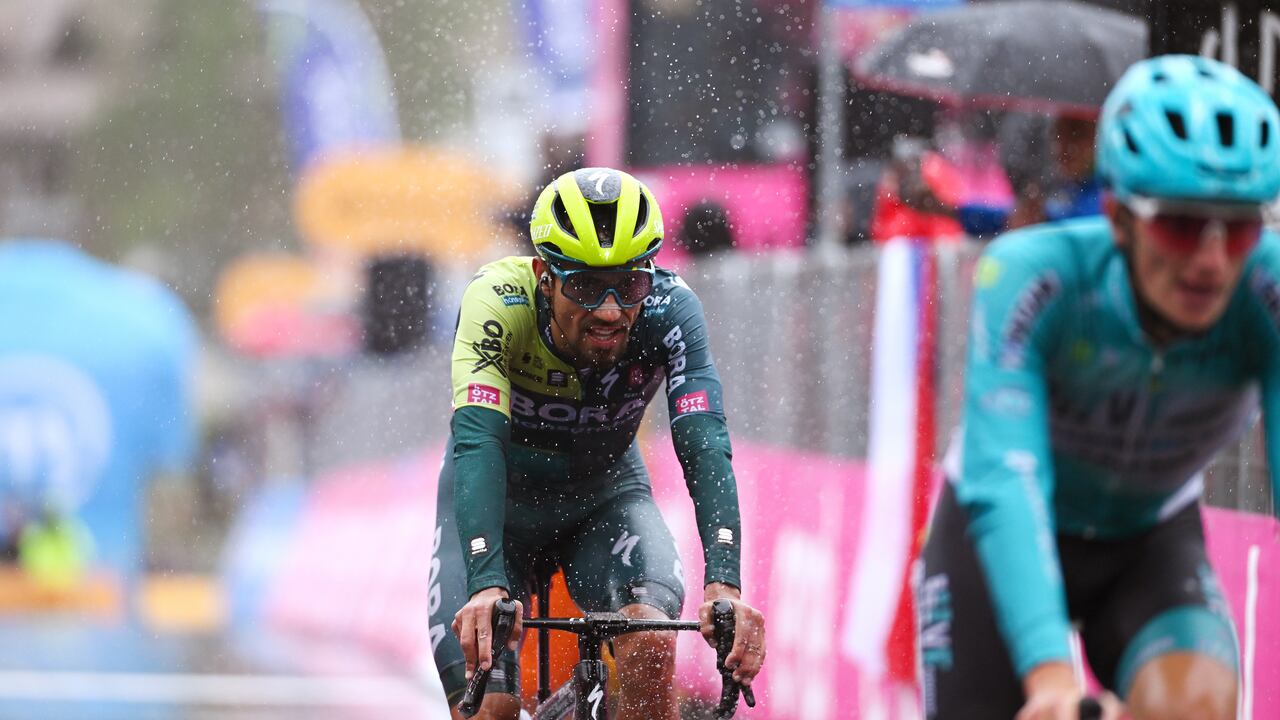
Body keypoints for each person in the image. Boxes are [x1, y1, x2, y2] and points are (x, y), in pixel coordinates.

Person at [916, 55, 1280, 720]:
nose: (1211, 260)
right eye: (1181, 224)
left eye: (1239, 229)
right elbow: (1009, 478)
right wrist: (1050, 676)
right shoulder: (1032, 276)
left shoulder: (1268, 289)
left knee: (1194, 708)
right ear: (1119, 216)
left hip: (1148, 538)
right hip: (1000, 533)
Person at [429, 167, 766, 720]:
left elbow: (704, 442)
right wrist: (486, 582)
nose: (610, 310)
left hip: (603, 500)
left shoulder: (671, 309)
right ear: (544, 276)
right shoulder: (497, 303)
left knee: (650, 642)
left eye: (629, 285)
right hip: (502, 507)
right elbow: (478, 442)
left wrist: (724, 581)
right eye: (586, 286)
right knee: (490, 708)